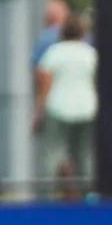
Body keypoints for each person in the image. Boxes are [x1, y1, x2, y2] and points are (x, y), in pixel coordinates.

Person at [34, 14, 98, 197]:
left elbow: (45, 86)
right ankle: (89, 196)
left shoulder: (54, 53)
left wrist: (38, 114)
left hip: (58, 109)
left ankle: (45, 198)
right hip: (87, 109)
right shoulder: (90, 53)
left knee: (52, 155)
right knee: (84, 155)